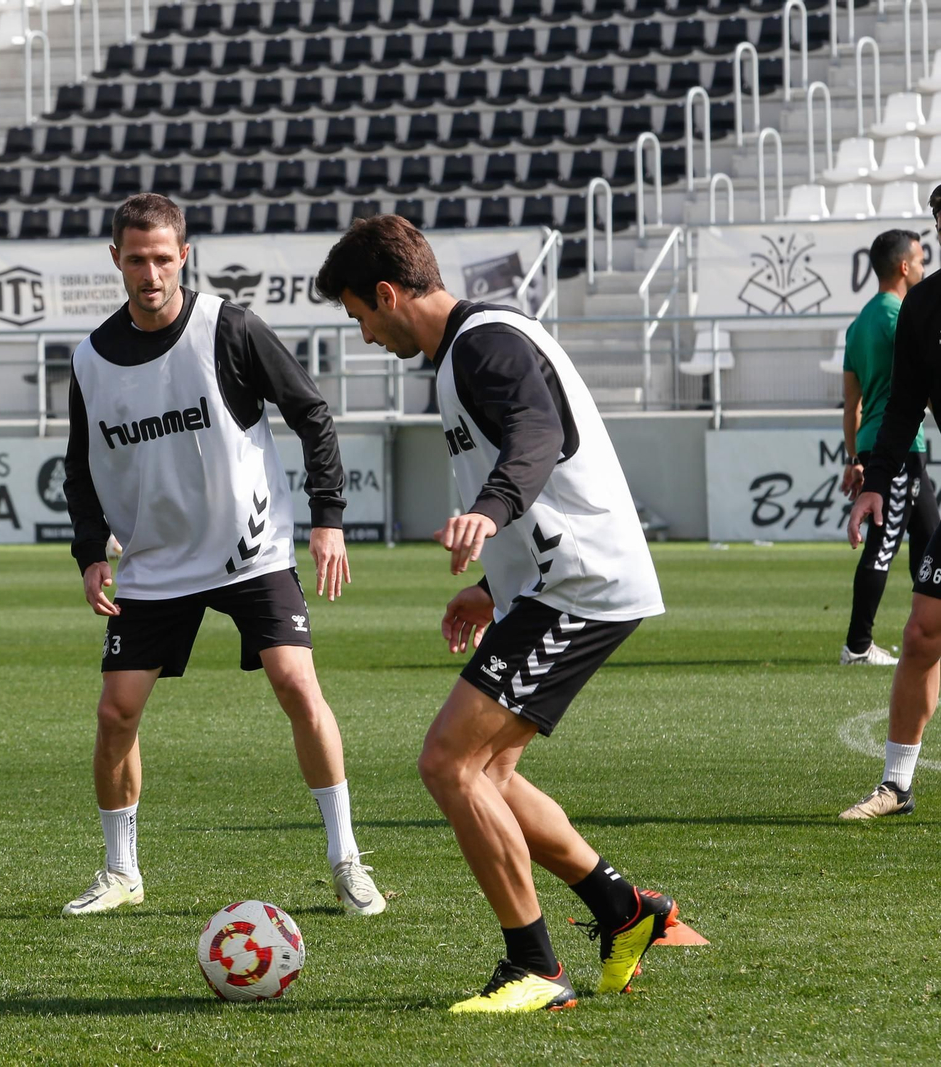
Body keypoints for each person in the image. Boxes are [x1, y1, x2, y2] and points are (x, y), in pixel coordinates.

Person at [315, 216, 673, 1013]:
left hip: (580, 584)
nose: (365, 334)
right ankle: (623, 909)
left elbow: (536, 434)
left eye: (360, 315)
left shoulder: (484, 343)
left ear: (387, 293)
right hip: (554, 581)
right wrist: (491, 586)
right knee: (489, 775)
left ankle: (535, 967)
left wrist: (489, 508)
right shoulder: (466, 350)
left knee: (449, 763)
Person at [60, 193, 386, 919]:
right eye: (136, 259)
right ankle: (120, 871)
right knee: (116, 712)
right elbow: (79, 467)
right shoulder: (90, 359)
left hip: (250, 551)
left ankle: (347, 861)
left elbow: (311, 413)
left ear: (184, 255)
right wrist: (90, 552)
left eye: (162, 258)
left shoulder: (230, 327)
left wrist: (328, 518)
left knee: (297, 685)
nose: (150, 273)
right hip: (154, 563)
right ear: (116, 260)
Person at [843, 187, 941, 819]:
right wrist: (875, 478)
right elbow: (904, 403)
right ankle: (896, 785)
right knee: (922, 630)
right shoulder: (921, 306)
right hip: (905, 463)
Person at [838, 230, 935, 667]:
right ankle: (858, 646)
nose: (924, 269)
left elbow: (851, 403)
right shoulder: (904, 316)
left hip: (874, 446)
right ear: (904, 267)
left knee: (930, 537)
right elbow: (919, 386)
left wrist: (854, 458)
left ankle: (933, 628)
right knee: (882, 547)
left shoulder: (859, 324)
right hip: (899, 446)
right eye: (920, 261)